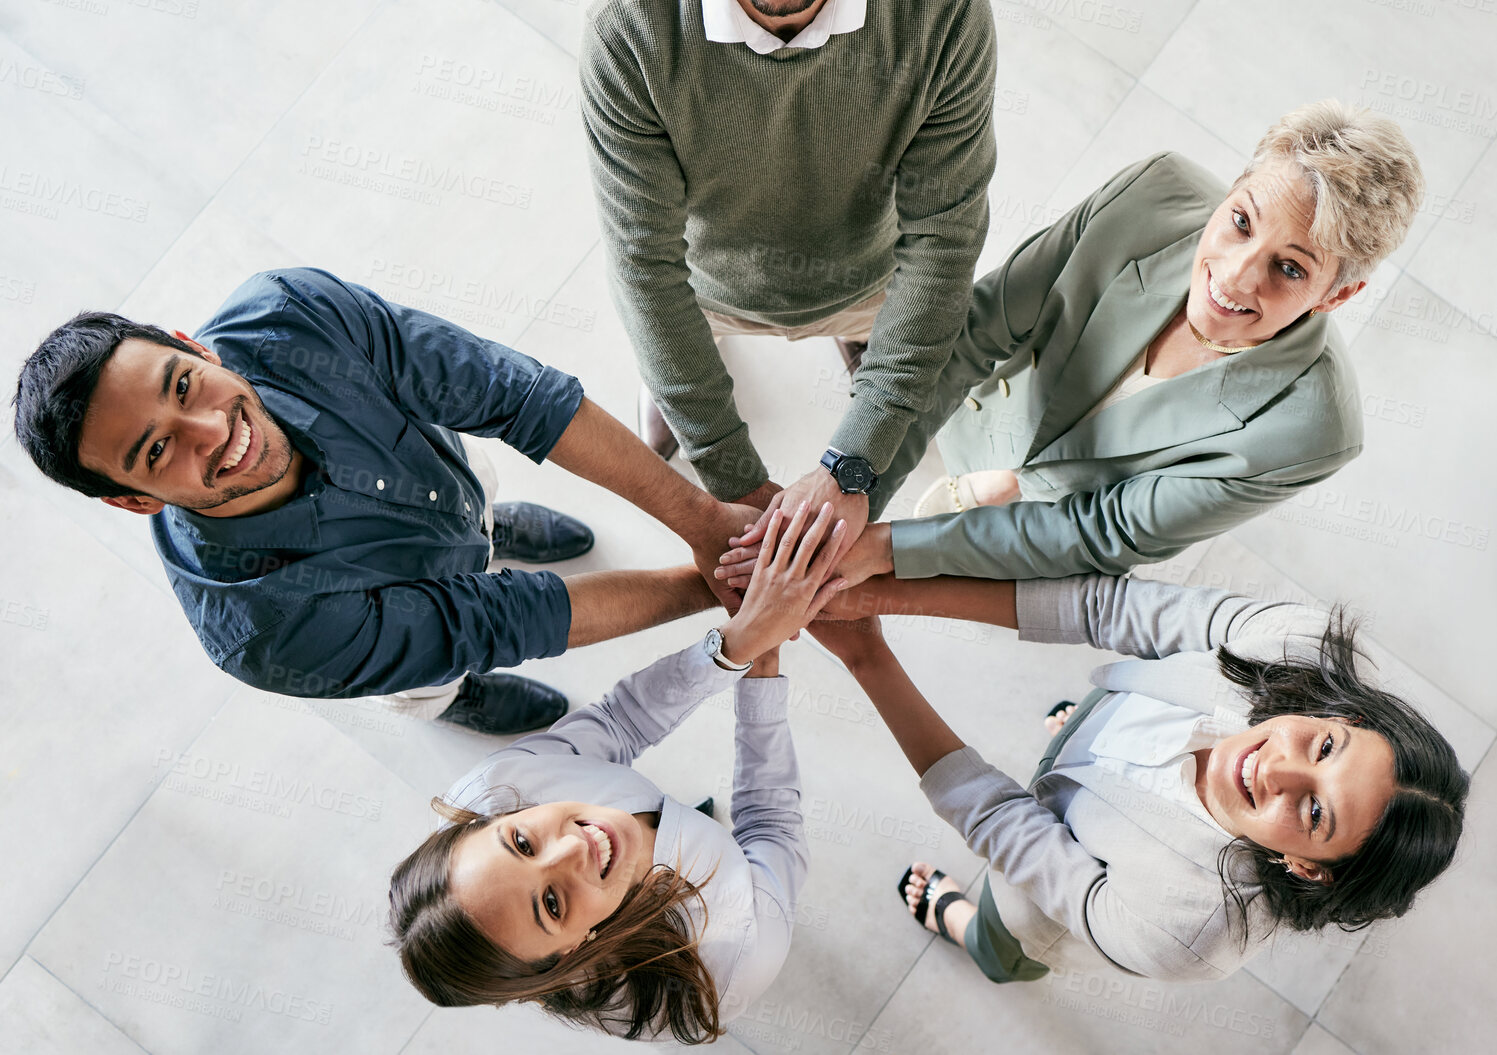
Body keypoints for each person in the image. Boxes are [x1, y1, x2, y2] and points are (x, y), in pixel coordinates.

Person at [12, 267, 761, 733]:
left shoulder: (290, 314)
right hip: (383, 634)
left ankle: (489, 531)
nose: (212, 429)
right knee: (430, 678)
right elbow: (505, 617)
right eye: (156, 451)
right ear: (135, 502)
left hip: (448, 480)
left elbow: (517, 399)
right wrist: (720, 584)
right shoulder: (270, 631)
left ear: (193, 345)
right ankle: (458, 700)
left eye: (183, 384)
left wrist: (705, 523)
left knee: (480, 509)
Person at [582, 0, 997, 571]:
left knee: (881, 344)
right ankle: (683, 395)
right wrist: (728, 468)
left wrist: (855, 457)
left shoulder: (941, 5)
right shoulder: (629, 30)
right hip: (707, 285)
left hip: (869, 276)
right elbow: (643, 264)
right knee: (673, 344)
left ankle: (858, 352)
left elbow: (943, 242)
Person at [722, 100, 1424, 591]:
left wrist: (884, 550)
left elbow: (1099, 532)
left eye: (1291, 267)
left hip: (1050, 521)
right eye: (1239, 221)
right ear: (1231, 189)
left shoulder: (1311, 434)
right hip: (982, 417)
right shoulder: (1149, 194)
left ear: (1336, 296)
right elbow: (978, 330)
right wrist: (857, 481)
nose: (1235, 275)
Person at [809, 571, 1467, 984]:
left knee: (1003, 933)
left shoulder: (1182, 933)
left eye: (1314, 813)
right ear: (1345, 714)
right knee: (1086, 734)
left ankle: (965, 931)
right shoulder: (1305, 648)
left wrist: (868, 654)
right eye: (1325, 744)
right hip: (1102, 731)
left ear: (1306, 867)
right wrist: (884, 591)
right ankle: (1088, 748)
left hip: (1039, 911)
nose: (1275, 766)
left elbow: (994, 815)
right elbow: (1111, 605)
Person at [389, 500, 849, 1042]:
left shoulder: (496, 787)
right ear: (571, 953)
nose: (574, 848)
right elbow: (770, 824)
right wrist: (764, 669)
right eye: (552, 904)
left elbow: (622, 721)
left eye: (521, 842)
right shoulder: (736, 953)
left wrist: (740, 642)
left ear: (487, 820)